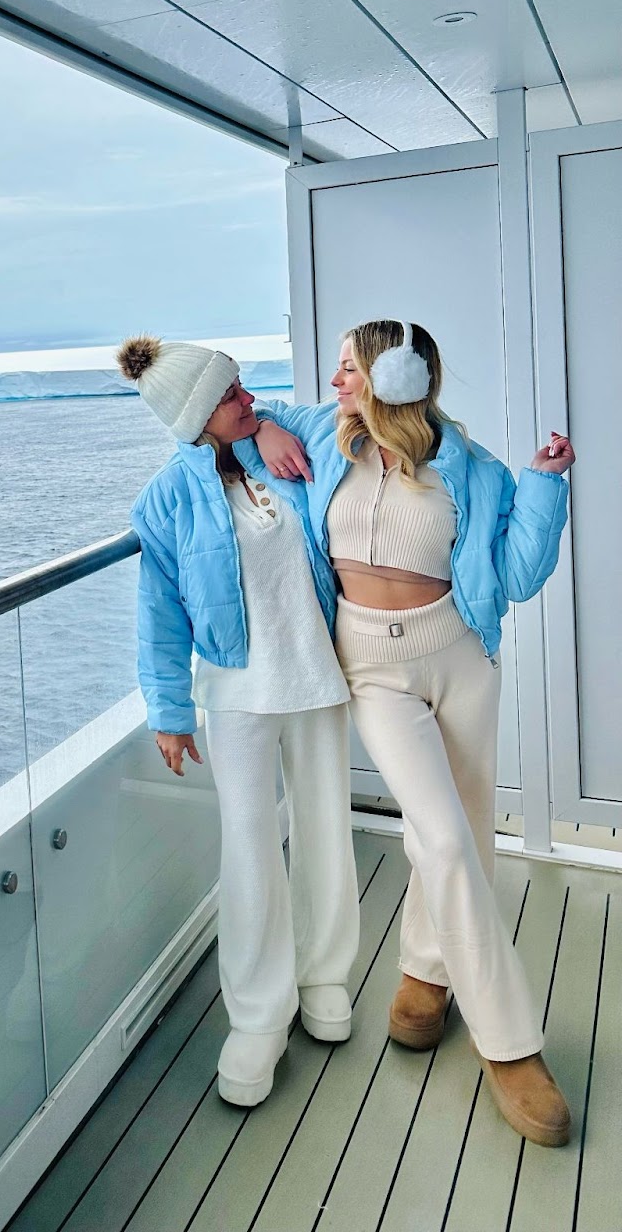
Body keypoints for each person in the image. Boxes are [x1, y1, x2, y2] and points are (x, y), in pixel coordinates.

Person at [248, 320, 575, 1147]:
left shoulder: (466, 464)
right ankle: (512, 1047)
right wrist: (257, 424)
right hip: (373, 669)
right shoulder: (322, 440)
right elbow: (230, 414)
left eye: (349, 367)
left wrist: (544, 485)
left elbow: (517, 576)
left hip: (459, 659)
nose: (335, 380)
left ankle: (426, 977)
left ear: (394, 377)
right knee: (443, 838)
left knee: (463, 835)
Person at [119, 335, 359, 1108]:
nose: (249, 399)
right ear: (196, 417)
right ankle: (259, 1016)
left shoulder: (280, 447)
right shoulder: (164, 501)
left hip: (317, 674)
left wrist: (262, 427)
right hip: (236, 695)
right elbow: (158, 612)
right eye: (232, 396)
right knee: (250, 851)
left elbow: (338, 412)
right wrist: (169, 709)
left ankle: (325, 977)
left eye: (245, 389)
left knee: (326, 829)